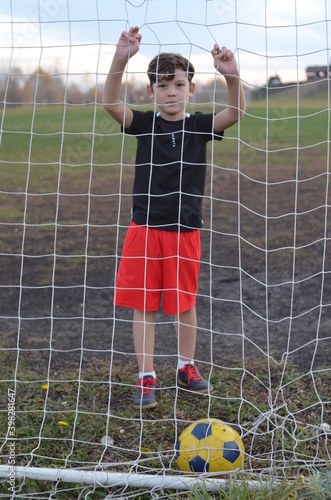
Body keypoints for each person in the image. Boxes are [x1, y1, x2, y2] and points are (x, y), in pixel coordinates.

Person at [103, 26, 245, 409]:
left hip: (185, 231)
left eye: (179, 85)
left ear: (191, 89)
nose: (171, 92)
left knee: (184, 303)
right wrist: (121, 58)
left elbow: (236, 112)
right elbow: (110, 103)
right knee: (144, 305)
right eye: (163, 86)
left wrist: (231, 76)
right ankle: (146, 375)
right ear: (150, 92)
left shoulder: (199, 125)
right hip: (145, 229)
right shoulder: (145, 124)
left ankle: (186, 367)